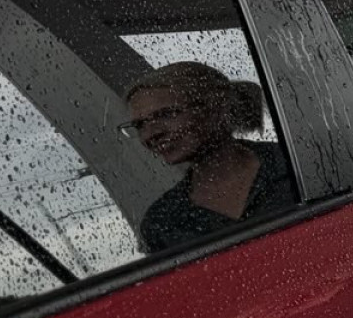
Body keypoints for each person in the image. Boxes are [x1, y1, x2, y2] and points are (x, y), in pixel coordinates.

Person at [120, 61, 295, 253]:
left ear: (216, 106)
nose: (150, 134)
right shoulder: (162, 222)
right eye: (140, 125)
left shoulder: (296, 163)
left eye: (167, 114)